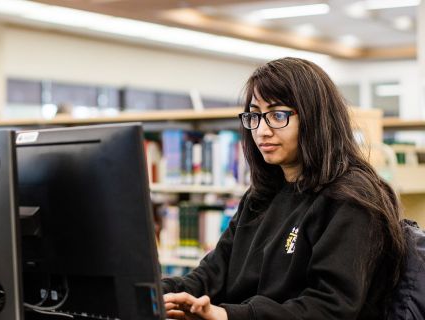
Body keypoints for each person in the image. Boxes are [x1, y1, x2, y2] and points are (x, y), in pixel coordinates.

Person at [162, 57, 406, 320]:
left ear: (314, 118)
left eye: (278, 115)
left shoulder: (353, 198)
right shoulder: (262, 196)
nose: (262, 131)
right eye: (255, 115)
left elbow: (329, 308)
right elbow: (212, 274)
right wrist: (158, 292)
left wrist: (227, 316)